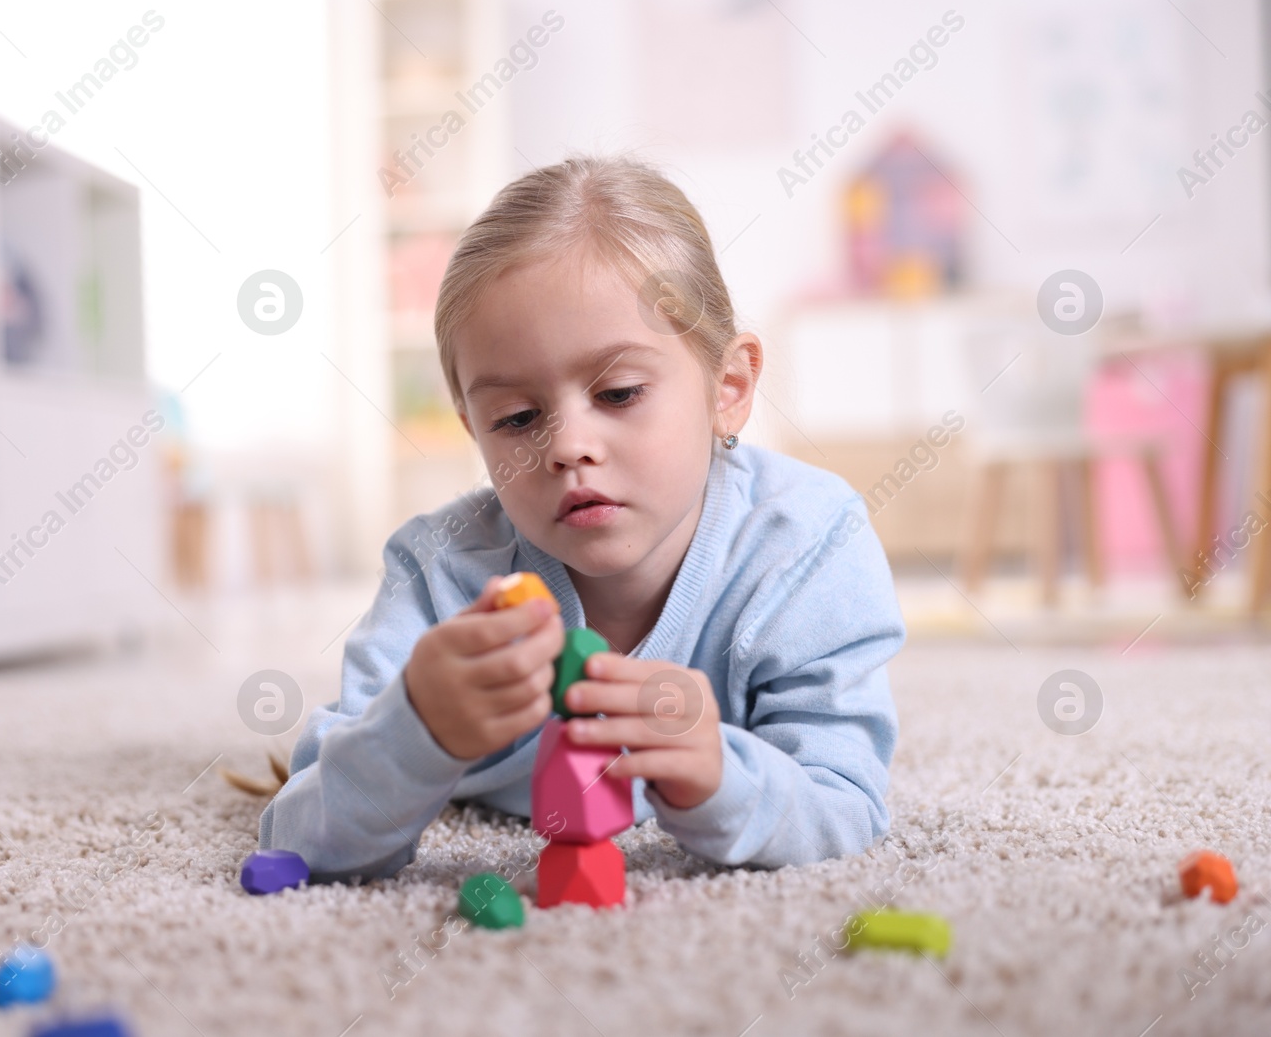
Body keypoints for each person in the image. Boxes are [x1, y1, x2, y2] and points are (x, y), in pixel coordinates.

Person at [256, 155, 903, 881]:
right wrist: (417, 731)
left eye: (620, 392)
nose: (566, 446)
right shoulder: (439, 574)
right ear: (473, 427)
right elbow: (296, 835)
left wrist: (724, 772)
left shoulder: (810, 544)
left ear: (728, 386)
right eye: (518, 417)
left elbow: (845, 806)